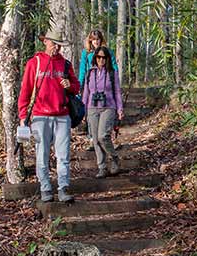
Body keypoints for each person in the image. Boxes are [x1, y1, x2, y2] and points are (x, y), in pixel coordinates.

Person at [18, 29, 80, 202]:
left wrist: (69, 85)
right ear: (45, 42)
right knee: (42, 154)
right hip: (40, 117)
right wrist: (23, 115)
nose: (56, 48)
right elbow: (25, 91)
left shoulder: (65, 64)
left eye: (59, 45)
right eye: (53, 43)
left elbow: (76, 87)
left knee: (63, 155)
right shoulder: (34, 63)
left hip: (62, 115)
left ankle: (63, 187)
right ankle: (45, 188)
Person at [82, 46, 124, 178]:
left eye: (103, 57)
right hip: (92, 108)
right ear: (95, 58)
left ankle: (115, 157)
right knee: (95, 139)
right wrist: (82, 111)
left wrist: (120, 109)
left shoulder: (112, 73)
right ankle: (102, 167)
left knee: (102, 136)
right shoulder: (90, 73)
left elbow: (117, 92)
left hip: (108, 107)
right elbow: (86, 93)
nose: (101, 60)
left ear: (107, 59)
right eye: (98, 57)